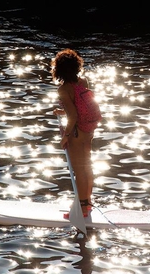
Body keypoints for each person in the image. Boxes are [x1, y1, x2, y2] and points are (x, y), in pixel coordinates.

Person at [51, 49, 95, 218]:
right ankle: (87, 203)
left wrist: (65, 137)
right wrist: (62, 112)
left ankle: (82, 208)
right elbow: (81, 107)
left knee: (79, 170)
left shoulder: (63, 90)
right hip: (88, 130)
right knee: (87, 167)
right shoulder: (83, 81)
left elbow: (74, 116)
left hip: (77, 133)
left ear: (59, 69)